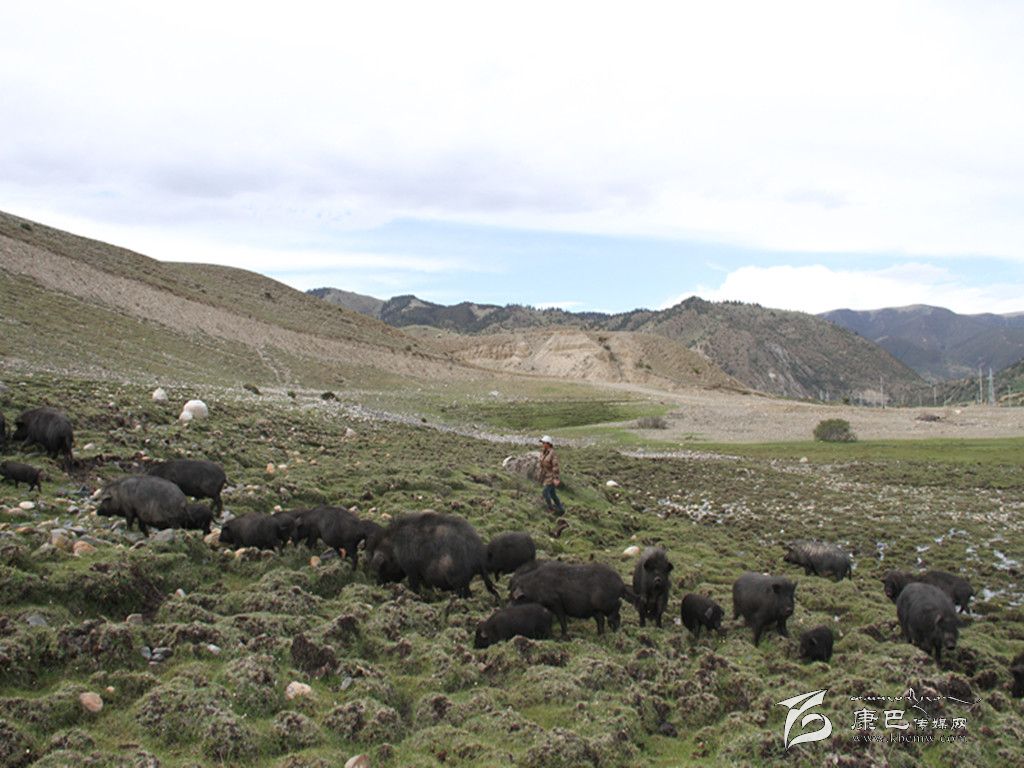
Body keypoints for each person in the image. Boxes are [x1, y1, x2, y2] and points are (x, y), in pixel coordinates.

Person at [538, 435, 565, 515]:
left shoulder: (552, 454)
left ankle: (551, 509)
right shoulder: (543, 452)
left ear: (548, 443)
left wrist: (556, 478)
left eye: (543, 443)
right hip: (545, 475)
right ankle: (561, 509)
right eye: (542, 443)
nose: (542, 444)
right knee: (553, 494)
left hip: (551, 476)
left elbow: (555, 466)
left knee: (545, 492)